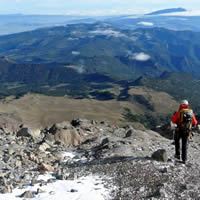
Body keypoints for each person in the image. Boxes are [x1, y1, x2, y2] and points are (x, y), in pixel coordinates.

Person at [171, 100, 198, 164]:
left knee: (176, 141)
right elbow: (195, 122)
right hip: (187, 131)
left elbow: (173, 120)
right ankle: (184, 159)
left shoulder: (179, 112)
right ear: (187, 105)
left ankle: (177, 155)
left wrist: (174, 116)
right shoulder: (191, 112)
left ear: (181, 105)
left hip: (179, 130)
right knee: (184, 144)